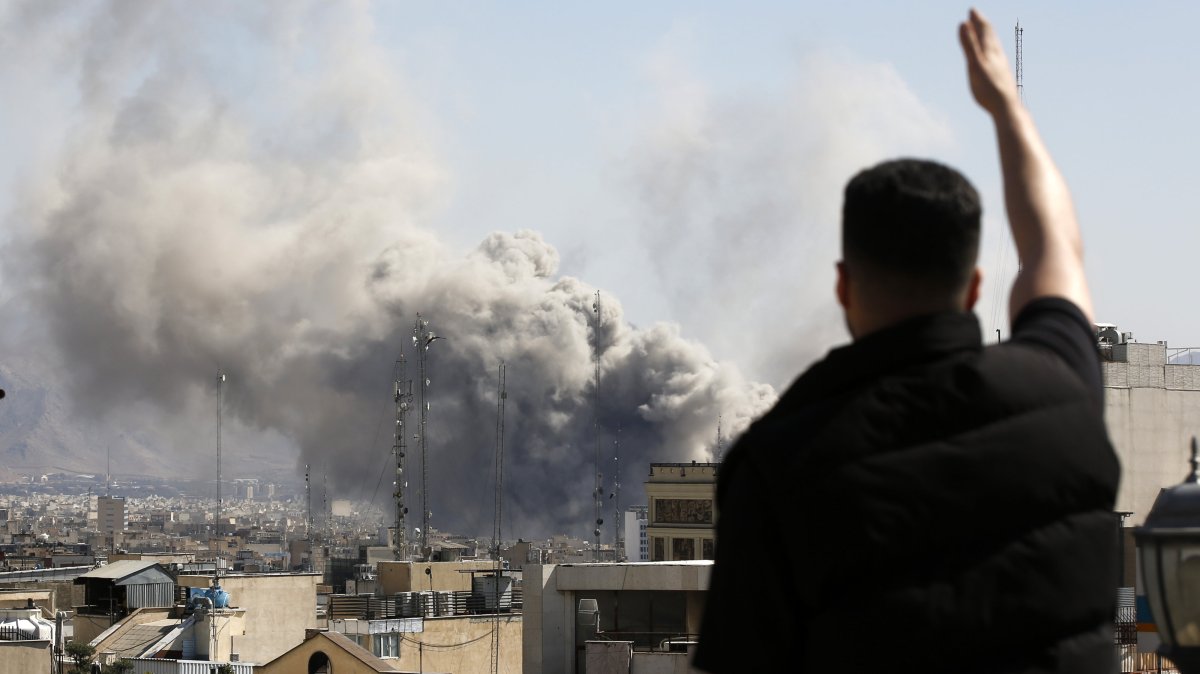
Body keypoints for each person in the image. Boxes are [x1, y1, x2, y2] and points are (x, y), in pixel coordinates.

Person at [694, 9, 1119, 674]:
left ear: (843, 285)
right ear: (976, 286)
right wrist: (1005, 106)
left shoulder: (780, 470)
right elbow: (1054, 244)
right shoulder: (1060, 395)